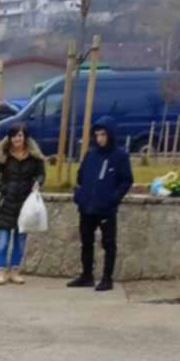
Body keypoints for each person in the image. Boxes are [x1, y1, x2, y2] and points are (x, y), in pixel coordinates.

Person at [70, 115, 132, 292]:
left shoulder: (120, 156)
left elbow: (126, 180)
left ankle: (107, 278)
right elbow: (81, 177)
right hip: (87, 207)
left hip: (106, 209)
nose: (100, 138)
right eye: (97, 135)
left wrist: (113, 199)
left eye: (103, 134)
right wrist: (79, 195)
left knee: (108, 244)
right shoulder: (90, 154)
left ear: (110, 135)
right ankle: (86, 276)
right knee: (86, 242)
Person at [0, 127, 45, 284]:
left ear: (25, 137)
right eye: (13, 136)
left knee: (20, 242)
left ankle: (14, 271)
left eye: (19, 135)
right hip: (6, 205)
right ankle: (0, 271)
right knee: (3, 242)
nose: (17, 139)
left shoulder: (34, 157)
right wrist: (5, 189)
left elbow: (41, 174)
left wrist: (38, 182)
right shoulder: (4, 156)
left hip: (25, 206)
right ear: (9, 139)